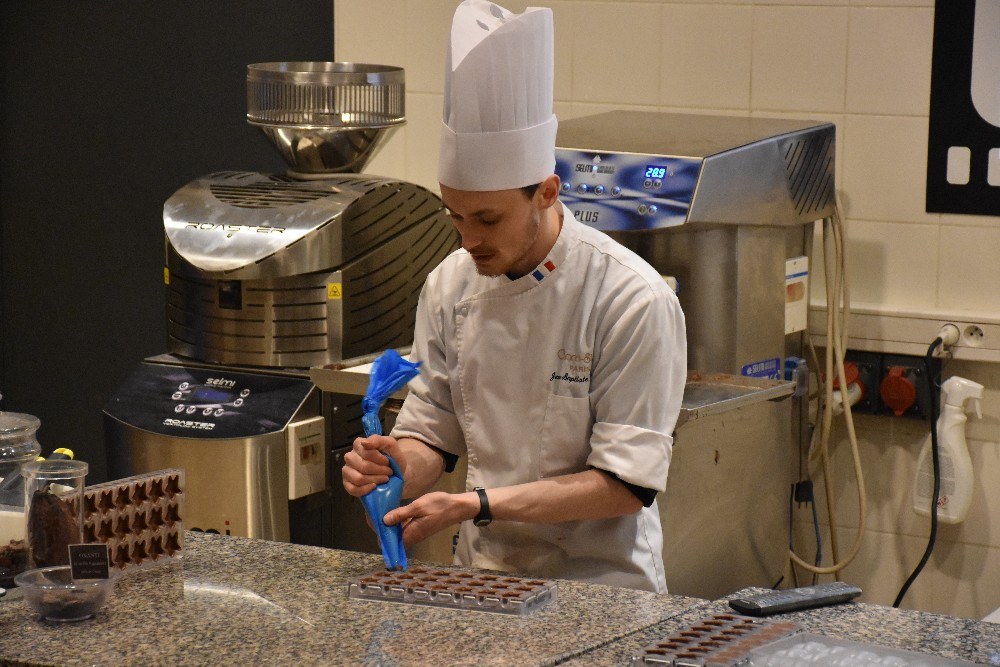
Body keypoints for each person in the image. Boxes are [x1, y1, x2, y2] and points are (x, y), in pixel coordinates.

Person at [341, 0, 686, 593]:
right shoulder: (448, 286)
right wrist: (395, 464)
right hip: (490, 579)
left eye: (488, 219)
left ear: (547, 192)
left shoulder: (630, 299)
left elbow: (624, 486)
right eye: (455, 216)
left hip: (602, 588)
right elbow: (433, 431)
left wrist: (476, 503)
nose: (468, 240)